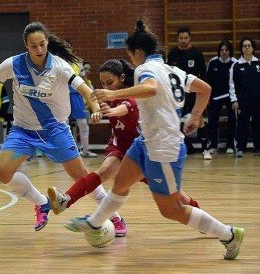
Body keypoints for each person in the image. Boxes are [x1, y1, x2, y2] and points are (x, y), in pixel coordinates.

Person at [65, 19, 244, 260]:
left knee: (172, 210)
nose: (132, 61)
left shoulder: (143, 69)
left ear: (137, 52)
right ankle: (95, 222)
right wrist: (195, 116)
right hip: (146, 141)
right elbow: (205, 89)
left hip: (164, 147)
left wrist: (113, 93)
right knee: (121, 183)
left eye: (131, 55)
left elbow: (151, 89)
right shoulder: (173, 70)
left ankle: (229, 234)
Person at [48, 59, 200, 237]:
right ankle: (66, 200)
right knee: (104, 171)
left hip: (142, 152)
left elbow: (125, 108)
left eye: (109, 83)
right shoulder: (108, 95)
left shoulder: (132, 94)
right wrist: (98, 111)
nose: (106, 87)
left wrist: (111, 111)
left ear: (121, 78)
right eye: (103, 83)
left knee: (177, 198)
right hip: (120, 147)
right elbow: (99, 105)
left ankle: (201, 217)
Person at [0, 21, 108, 232]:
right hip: (23, 130)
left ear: (47, 42)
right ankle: (41, 202)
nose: (39, 50)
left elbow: (85, 89)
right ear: (26, 45)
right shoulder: (13, 64)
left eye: (42, 44)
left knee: (82, 176)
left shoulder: (60, 66)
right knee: (2, 172)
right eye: (33, 46)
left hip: (55, 130)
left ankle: (113, 215)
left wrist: (95, 107)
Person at [167, 26, 211, 160]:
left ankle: (206, 149)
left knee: (199, 119)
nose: (183, 40)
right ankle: (181, 148)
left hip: (194, 92)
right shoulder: (173, 53)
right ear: (177, 38)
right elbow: (169, 74)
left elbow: (203, 74)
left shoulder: (196, 53)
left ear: (190, 38)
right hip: (178, 93)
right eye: (181, 38)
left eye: (186, 38)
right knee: (176, 120)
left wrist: (204, 95)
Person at [229, 37, 260, 157]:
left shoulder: (258, 63)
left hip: (258, 101)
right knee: (242, 125)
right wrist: (234, 100)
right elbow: (232, 84)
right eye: (244, 46)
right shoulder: (236, 66)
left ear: (253, 48)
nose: (247, 48)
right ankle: (240, 148)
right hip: (243, 101)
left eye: (249, 45)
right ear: (241, 49)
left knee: (258, 124)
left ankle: (258, 148)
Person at [206, 41, 237, 154]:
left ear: (230, 51)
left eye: (226, 50)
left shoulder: (235, 63)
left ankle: (230, 145)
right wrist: (208, 98)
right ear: (219, 51)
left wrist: (236, 99)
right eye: (222, 50)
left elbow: (237, 82)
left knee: (232, 120)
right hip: (215, 97)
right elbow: (207, 81)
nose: (224, 52)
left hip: (230, 97)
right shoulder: (213, 62)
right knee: (212, 119)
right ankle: (213, 145)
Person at [67, 44, 97, 158]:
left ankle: (86, 151)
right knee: (63, 124)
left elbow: (83, 79)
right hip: (64, 95)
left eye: (69, 47)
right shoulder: (57, 62)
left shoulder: (77, 62)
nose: (67, 49)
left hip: (76, 94)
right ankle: (66, 151)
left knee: (83, 124)